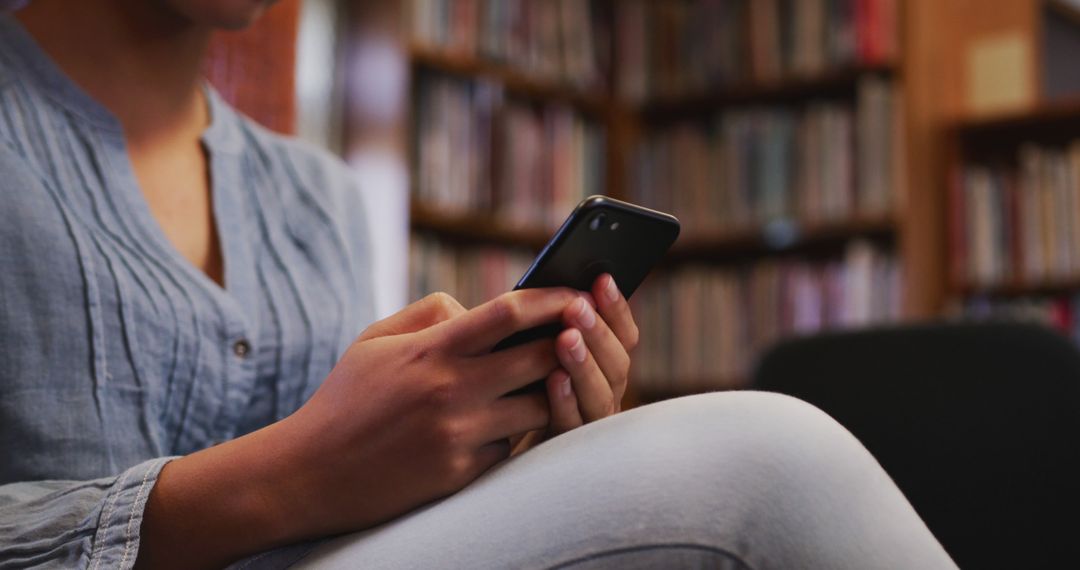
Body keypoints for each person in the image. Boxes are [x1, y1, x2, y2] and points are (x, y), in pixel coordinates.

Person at [0, 1, 957, 569]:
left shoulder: (317, 197)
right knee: (765, 458)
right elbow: (311, 478)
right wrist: (293, 473)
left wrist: (504, 445)